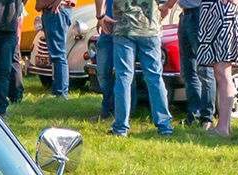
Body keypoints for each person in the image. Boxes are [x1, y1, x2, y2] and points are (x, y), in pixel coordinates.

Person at [106, 0, 171, 136]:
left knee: (124, 77)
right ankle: (164, 125)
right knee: (155, 78)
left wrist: (100, 15)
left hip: (123, 27)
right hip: (149, 28)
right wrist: (168, 6)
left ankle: (121, 127)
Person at [186, 0, 238, 135]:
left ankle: (222, 128)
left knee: (222, 72)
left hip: (223, 13)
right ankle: (225, 126)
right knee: (220, 73)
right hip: (215, 12)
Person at [161, 0, 213, 125]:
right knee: (188, 69)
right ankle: (194, 115)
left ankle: (207, 117)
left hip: (199, 14)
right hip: (185, 15)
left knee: (205, 69)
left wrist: (168, 5)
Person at [35, 0, 75, 97]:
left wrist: (57, 2)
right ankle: (58, 90)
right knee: (56, 54)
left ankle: (61, 92)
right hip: (53, 11)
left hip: (56, 11)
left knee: (58, 55)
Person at [91, 0, 114, 123]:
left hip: (128, 28)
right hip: (108, 26)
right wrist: (100, 16)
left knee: (126, 74)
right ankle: (107, 109)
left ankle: (125, 113)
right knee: (102, 71)